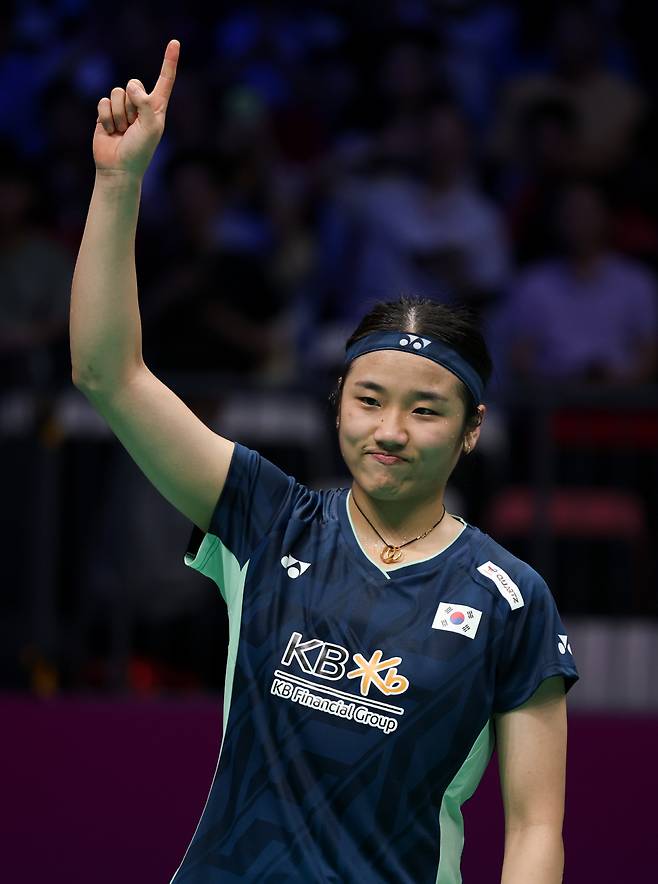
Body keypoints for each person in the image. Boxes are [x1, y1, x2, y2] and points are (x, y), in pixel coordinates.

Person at [69, 40, 579, 884]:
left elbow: (533, 831)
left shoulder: (511, 599)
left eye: (426, 410)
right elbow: (108, 374)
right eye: (370, 398)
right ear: (338, 399)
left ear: (471, 430)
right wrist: (119, 183)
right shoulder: (267, 516)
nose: (391, 429)